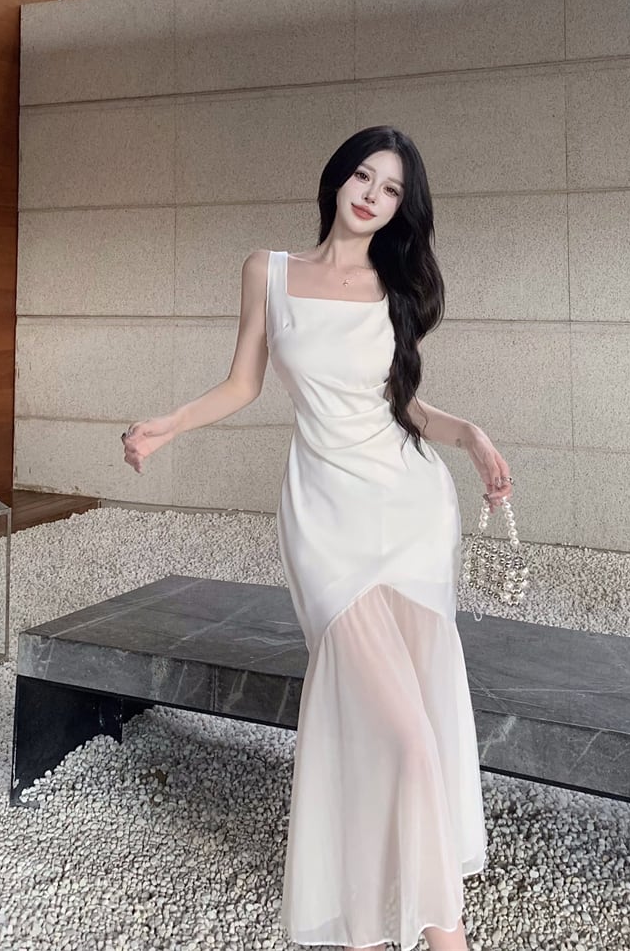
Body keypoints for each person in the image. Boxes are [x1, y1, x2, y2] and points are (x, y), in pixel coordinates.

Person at [122, 125, 514, 951]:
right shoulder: (267, 271)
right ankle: (437, 933)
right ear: (338, 178)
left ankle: (392, 927)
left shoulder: (393, 287)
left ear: (401, 209)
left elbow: (403, 404)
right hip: (325, 521)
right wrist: (170, 424)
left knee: (403, 725)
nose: (372, 196)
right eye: (364, 177)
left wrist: (470, 435)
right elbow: (243, 383)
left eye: (391, 189)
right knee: (404, 735)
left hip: (409, 513)